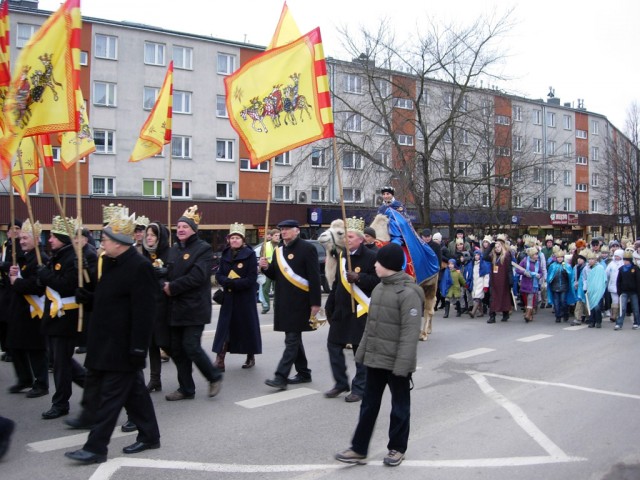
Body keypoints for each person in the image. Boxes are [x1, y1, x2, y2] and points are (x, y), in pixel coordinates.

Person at [65, 212, 160, 464]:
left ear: (118, 242)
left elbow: (145, 312)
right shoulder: (109, 262)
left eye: (105, 239)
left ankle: (96, 447)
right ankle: (150, 435)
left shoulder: (140, 267)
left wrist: (139, 349)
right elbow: (111, 301)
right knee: (133, 393)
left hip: (123, 346)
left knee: (111, 398)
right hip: (102, 342)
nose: (101, 243)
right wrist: (90, 298)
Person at [335, 243, 425, 467]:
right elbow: (371, 326)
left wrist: (403, 365)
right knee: (368, 405)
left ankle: (397, 448)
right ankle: (358, 449)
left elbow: (410, 333)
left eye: (379, 262)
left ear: (390, 266)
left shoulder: (409, 293)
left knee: (399, 407)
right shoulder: (379, 288)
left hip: (397, 363)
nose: (374, 265)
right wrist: (363, 354)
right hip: (375, 359)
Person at [163, 206, 223, 401]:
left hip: (195, 308)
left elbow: (198, 276)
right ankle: (186, 388)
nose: (180, 229)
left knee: (191, 346)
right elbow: (167, 272)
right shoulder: (173, 249)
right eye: (178, 226)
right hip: (175, 308)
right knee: (178, 351)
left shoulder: (203, 249)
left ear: (194, 230)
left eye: (185, 226)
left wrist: (172, 287)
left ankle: (214, 376)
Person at [259, 219, 322, 390]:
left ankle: (281, 377)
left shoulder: (307, 248)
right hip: (284, 301)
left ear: (296, 231)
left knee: (292, 340)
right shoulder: (279, 251)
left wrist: (316, 302)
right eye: (281, 229)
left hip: (301, 302)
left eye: (287, 229)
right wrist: (264, 267)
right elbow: (274, 274)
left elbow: (314, 276)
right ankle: (303, 373)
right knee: (294, 339)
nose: (283, 232)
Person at [324, 217, 378, 403]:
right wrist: (330, 304)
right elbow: (338, 282)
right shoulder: (341, 256)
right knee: (333, 345)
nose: (347, 240)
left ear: (361, 239)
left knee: (359, 352)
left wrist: (360, 277)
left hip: (360, 311)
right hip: (341, 310)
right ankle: (340, 383)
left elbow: (378, 282)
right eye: (346, 236)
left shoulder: (371, 256)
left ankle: (359, 388)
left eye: (351, 236)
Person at [37, 216, 86, 420]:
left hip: (66, 317)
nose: (49, 240)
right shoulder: (56, 255)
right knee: (61, 361)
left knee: (61, 364)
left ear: (62, 239)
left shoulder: (72, 257)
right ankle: (93, 387)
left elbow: (67, 284)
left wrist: (46, 276)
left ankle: (60, 403)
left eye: (53, 237)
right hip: (54, 317)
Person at [6, 219, 50, 397]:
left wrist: (16, 282)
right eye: (21, 238)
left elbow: (37, 286)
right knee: (14, 345)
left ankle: (41, 384)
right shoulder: (23, 256)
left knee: (35, 349)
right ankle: (24, 378)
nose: (22, 241)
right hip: (19, 309)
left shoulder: (41, 259)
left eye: (25, 238)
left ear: (37, 239)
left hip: (34, 311)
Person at [212, 223, 262, 371]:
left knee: (247, 328)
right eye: (232, 238)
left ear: (243, 240)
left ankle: (250, 356)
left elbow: (251, 279)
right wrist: (226, 281)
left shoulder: (250, 254)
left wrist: (235, 284)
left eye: (237, 238)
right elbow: (219, 274)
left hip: (245, 299)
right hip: (228, 298)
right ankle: (220, 359)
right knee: (225, 328)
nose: (234, 240)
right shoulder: (225, 254)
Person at [142, 221, 172, 392]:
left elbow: (176, 272)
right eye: (148, 235)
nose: (150, 238)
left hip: (166, 305)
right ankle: (155, 379)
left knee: (167, 344)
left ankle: (185, 376)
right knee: (152, 344)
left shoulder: (169, 252)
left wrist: (166, 272)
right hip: (150, 304)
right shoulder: (144, 253)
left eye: (153, 235)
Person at [0, 220, 24, 362]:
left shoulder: (19, 246)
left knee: (10, 319)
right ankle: (5, 348)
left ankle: (12, 351)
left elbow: (18, 264)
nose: (14, 231)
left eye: (17, 228)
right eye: (12, 228)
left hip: (13, 286)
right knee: (2, 319)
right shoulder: (5, 246)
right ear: (7, 232)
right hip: (3, 286)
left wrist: (4, 265)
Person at [483, 234, 513, 324]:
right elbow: (484, 257)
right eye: (495, 247)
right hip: (494, 282)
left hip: (504, 281)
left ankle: (505, 313)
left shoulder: (507, 256)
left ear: (502, 246)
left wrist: (511, 280)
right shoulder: (493, 256)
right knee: (493, 299)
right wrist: (490, 247)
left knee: (504, 297)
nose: (497, 248)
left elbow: (509, 269)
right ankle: (492, 316)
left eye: (498, 246)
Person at [546, 250, 575, 323]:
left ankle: (565, 313)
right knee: (556, 302)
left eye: (561, 257)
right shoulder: (552, 266)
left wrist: (566, 273)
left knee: (563, 301)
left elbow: (570, 276)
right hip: (554, 287)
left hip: (564, 287)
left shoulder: (567, 266)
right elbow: (549, 276)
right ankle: (558, 316)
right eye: (558, 257)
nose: (559, 259)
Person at [614, 251, 640, 330]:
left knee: (635, 308)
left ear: (630, 260)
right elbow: (618, 281)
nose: (625, 262)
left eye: (626, 260)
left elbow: (638, 281)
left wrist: (638, 292)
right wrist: (619, 291)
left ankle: (637, 322)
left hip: (633, 291)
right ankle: (619, 323)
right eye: (624, 260)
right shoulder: (621, 269)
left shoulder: (635, 268)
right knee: (622, 308)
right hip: (624, 291)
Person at [517, 247, 543, 323]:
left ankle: (527, 315)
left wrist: (539, 275)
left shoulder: (538, 262)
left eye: (537, 254)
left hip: (533, 284)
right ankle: (530, 314)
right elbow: (517, 269)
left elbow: (541, 272)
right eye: (535, 254)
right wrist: (525, 272)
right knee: (526, 299)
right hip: (525, 283)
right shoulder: (524, 261)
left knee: (530, 299)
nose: (537, 256)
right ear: (531, 255)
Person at [464, 249, 490, 318]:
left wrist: (485, 286)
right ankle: (481, 312)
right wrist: (467, 283)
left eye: (478, 255)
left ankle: (473, 312)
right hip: (474, 283)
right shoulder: (471, 264)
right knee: (477, 298)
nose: (476, 256)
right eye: (475, 255)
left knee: (477, 298)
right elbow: (468, 274)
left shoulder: (483, 265)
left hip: (481, 284)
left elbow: (486, 276)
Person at [259, 229, 280, 314]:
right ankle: (266, 306)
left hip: (278, 270)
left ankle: (277, 306)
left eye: (279, 235)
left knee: (277, 290)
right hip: (268, 270)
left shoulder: (281, 245)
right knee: (265, 289)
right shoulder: (265, 245)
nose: (278, 237)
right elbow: (261, 256)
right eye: (276, 235)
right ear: (271, 236)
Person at [585, 250, 606, 328]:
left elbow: (603, 279)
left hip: (598, 290)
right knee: (591, 307)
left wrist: (600, 288)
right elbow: (585, 279)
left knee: (597, 307)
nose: (591, 261)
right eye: (589, 259)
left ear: (595, 260)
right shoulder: (587, 268)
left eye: (592, 259)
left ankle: (598, 321)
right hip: (590, 289)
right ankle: (591, 321)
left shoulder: (600, 268)